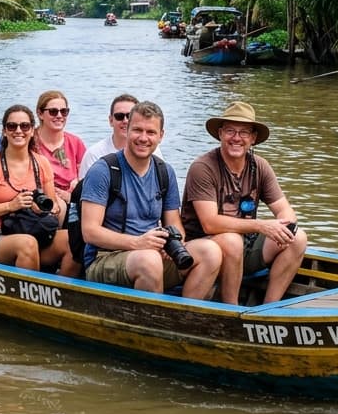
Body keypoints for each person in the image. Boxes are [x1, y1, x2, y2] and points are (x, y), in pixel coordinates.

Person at [79, 101, 221, 298]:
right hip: (105, 257)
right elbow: (90, 232)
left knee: (211, 252)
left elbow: (174, 223)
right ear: (127, 130)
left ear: (161, 136)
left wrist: (171, 243)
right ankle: (152, 319)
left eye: (151, 132)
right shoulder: (103, 170)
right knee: (149, 260)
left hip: (150, 253)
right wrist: (138, 243)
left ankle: (183, 316)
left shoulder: (164, 171)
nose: (143, 138)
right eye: (137, 130)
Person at [179, 101, 307, 305]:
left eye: (244, 132)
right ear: (220, 133)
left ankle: (269, 309)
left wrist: (284, 227)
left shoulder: (260, 166)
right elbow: (209, 223)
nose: (236, 138)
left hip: (245, 247)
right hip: (206, 249)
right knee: (232, 241)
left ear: (253, 138)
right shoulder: (203, 167)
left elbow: (284, 209)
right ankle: (232, 308)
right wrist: (260, 225)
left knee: (297, 237)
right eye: (230, 131)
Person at [0, 105, 67, 271]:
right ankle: (31, 293)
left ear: (31, 131)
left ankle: (61, 291)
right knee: (26, 244)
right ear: (5, 131)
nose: (18, 131)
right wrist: (11, 206)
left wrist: (41, 209)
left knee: (73, 240)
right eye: (12, 126)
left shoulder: (41, 163)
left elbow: (54, 205)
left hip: (35, 230)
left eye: (24, 126)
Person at [78, 93, 164, 176]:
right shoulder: (94, 154)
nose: (125, 121)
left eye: (129, 116)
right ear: (111, 120)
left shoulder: (152, 150)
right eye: (119, 116)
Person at [32, 90, 88, 201]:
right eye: (53, 111)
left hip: (71, 199)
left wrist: (76, 187)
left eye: (64, 111)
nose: (59, 116)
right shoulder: (29, 141)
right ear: (40, 113)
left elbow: (85, 175)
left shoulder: (75, 143)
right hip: (40, 198)